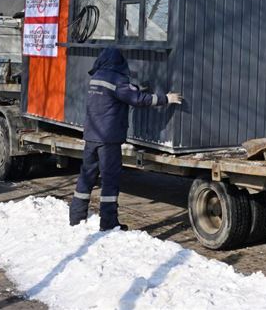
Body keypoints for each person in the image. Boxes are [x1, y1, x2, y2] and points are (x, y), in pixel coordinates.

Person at [69, 47, 182, 231]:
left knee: (86, 176)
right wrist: (166, 98)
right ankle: (108, 222)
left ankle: (76, 218)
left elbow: (117, 96)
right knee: (110, 180)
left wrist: (133, 89)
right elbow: (137, 99)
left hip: (91, 136)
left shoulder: (96, 77)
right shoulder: (117, 80)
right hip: (108, 139)